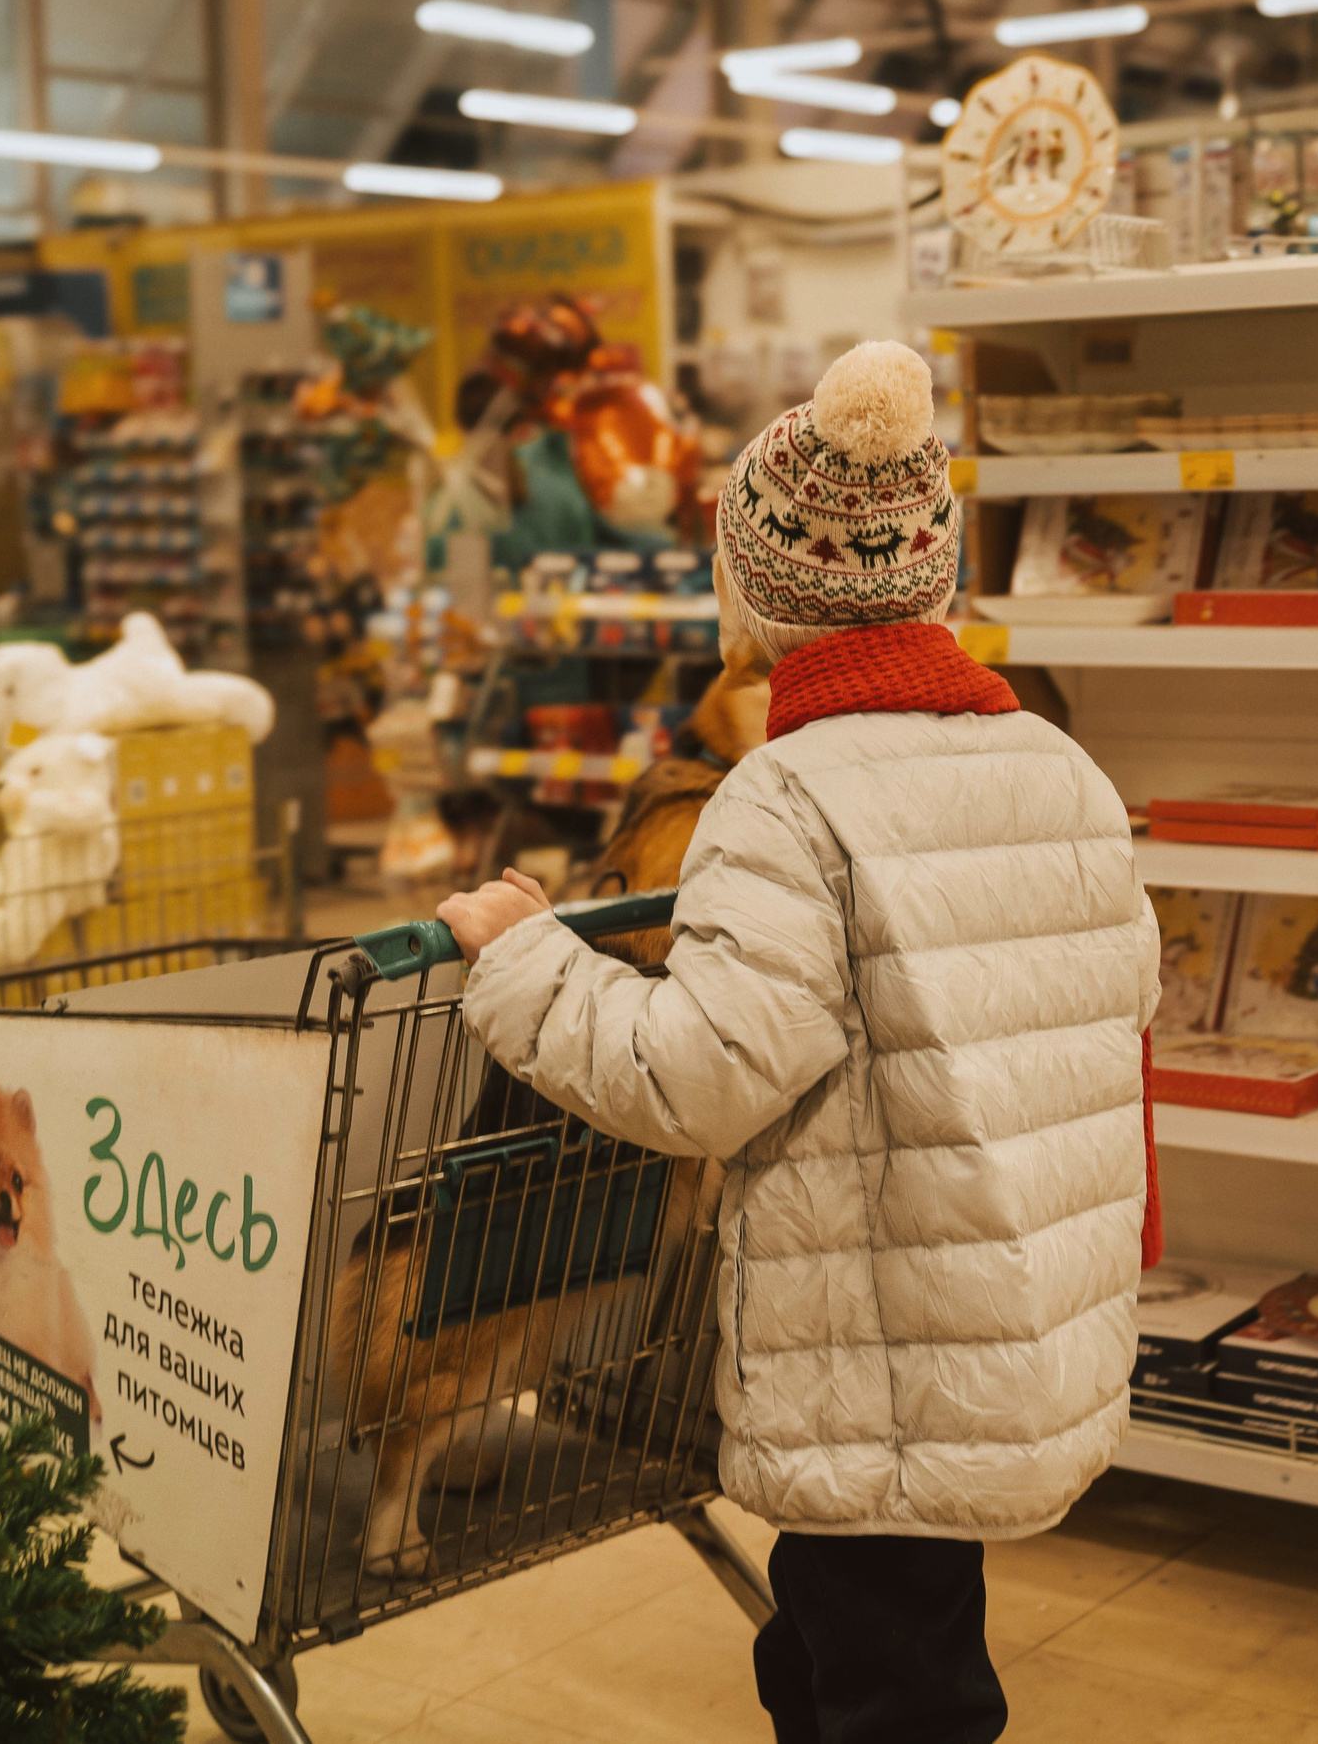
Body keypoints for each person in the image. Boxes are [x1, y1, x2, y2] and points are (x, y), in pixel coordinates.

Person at [437, 339, 1162, 1744]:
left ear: (754, 596)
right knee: (853, 1646)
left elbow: (699, 1076)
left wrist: (526, 961)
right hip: (1011, 1307)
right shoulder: (1060, 768)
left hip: (880, 1343)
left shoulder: (786, 796)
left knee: (885, 1683)